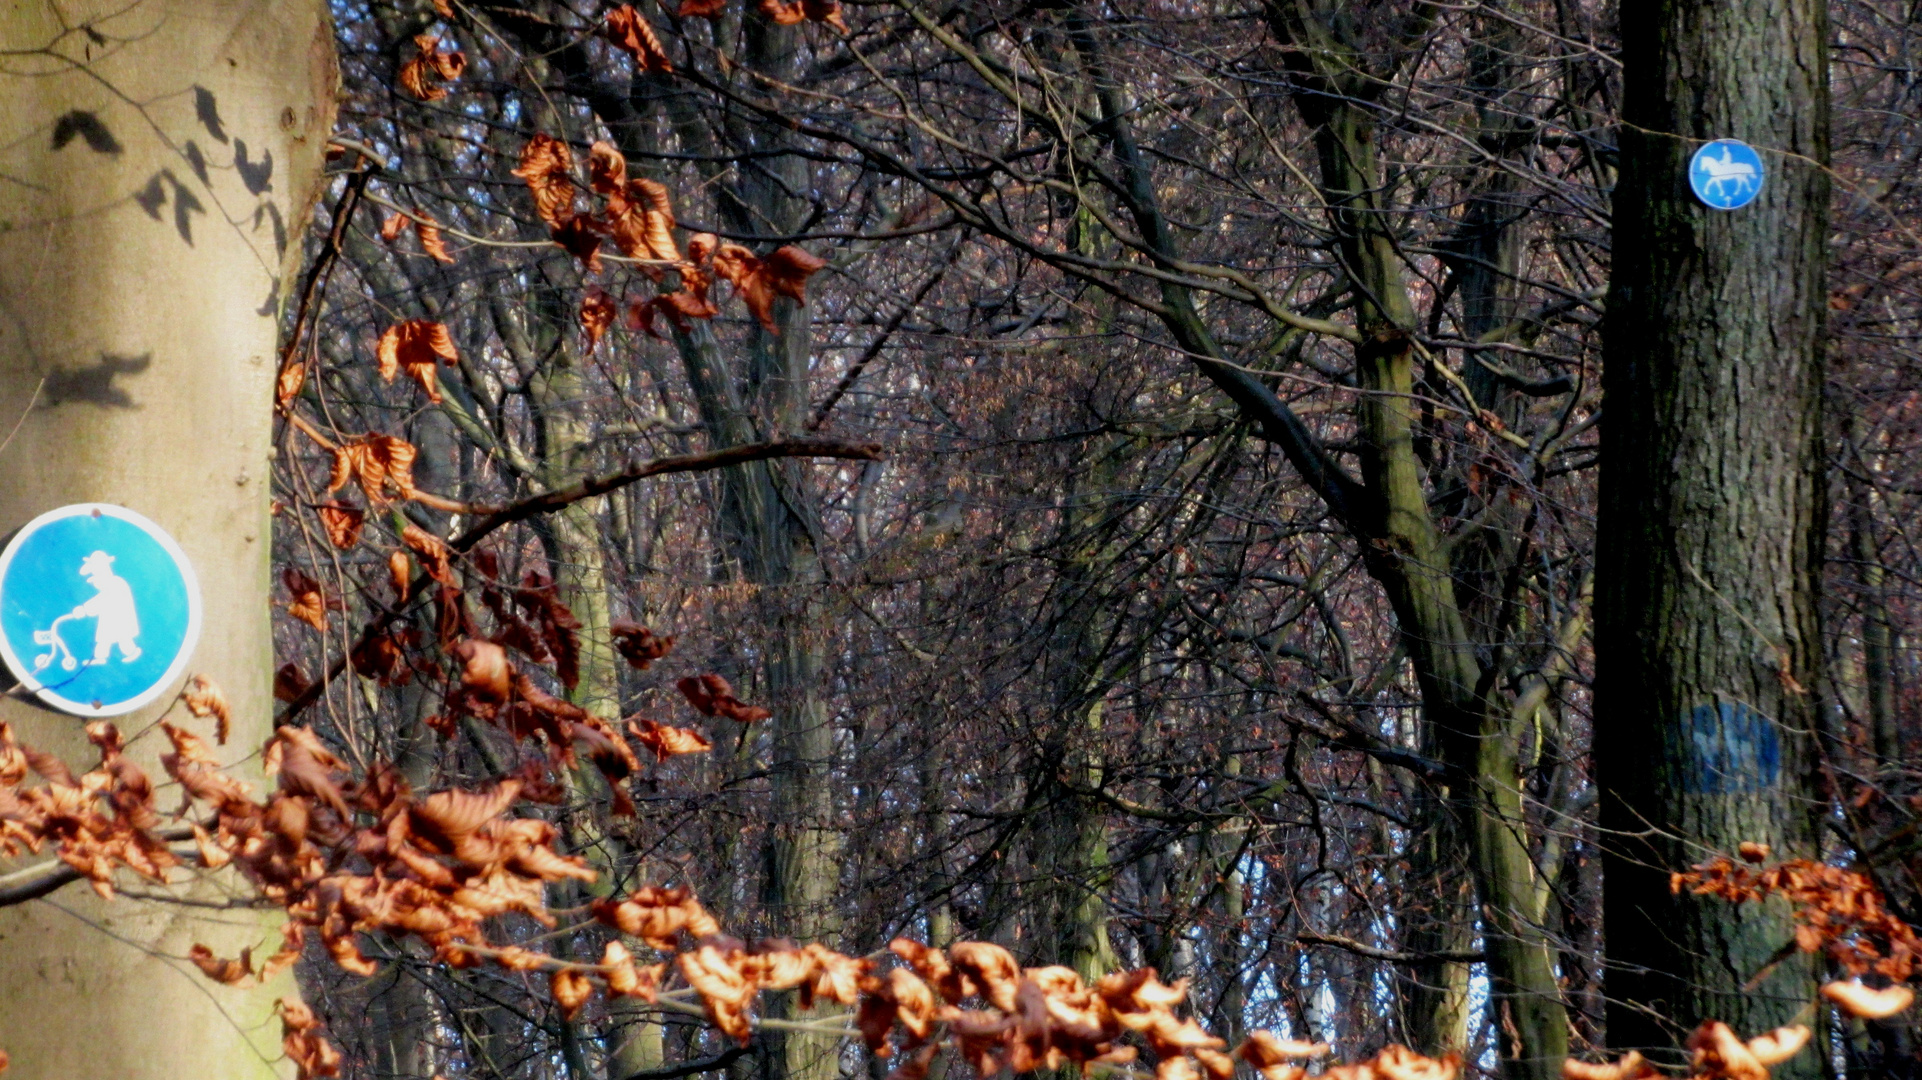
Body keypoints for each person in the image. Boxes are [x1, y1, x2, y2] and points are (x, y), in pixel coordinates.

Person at [71, 550, 141, 664]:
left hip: (119, 618)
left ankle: (131, 652)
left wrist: (84, 609)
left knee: (123, 639)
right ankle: (100, 658)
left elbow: (101, 600)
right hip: (110, 618)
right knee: (105, 640)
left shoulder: (115, 584)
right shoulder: (112, 582)